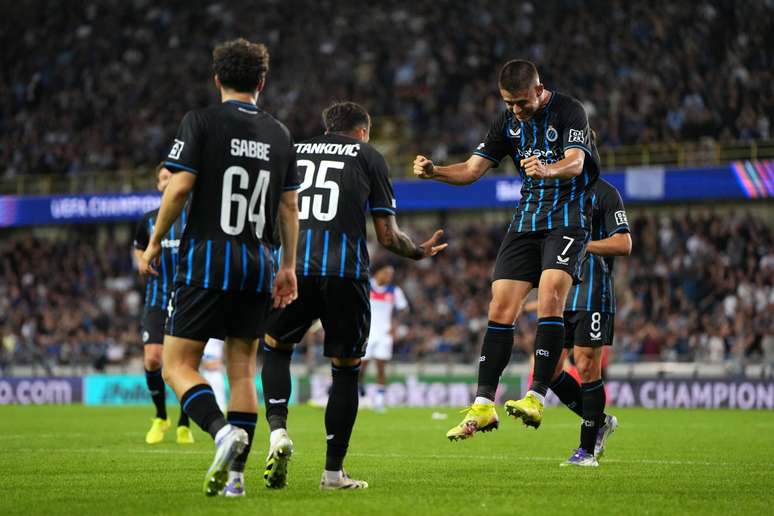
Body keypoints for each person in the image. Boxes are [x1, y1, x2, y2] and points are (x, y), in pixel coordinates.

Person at [137, 38, 300, 497]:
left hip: (207, 262)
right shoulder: (280, 134)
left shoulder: (201, 122)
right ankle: (236, 479)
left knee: (176, 365)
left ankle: (220, 431)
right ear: (262, 82)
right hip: (258, 265)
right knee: (242, 370)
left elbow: (178, 188)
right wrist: (287, 267)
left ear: (217, 79)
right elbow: (289, 207)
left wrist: (154, 242)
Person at [261, 101, 446, 490]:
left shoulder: (292, 151)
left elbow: (272, 214)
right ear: (362, 131)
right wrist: (418, 252)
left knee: (276, 348)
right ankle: (333, 473)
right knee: (345, 370)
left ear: (327, 127)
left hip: (295, 266)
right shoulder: (369, 156)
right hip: (345, 274)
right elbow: (387, 236)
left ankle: (278, 431)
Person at [413, 59, 600, 440]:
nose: (515, 109)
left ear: (538, 89)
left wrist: (548, 169)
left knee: (550, 296)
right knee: (500, 306)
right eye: (508, 102)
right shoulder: (507, 122)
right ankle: (484, 405)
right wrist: (436, 171)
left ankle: (536, 396)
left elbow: (576, 162)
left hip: (568, 219)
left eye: (521, 102)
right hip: (527, 220)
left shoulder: (569, 110)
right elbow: (471, 170)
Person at [550, 178, 631, 466]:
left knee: (586, 366)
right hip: (561, 294)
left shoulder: (606, 193)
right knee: (549, 368)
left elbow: (623, 243)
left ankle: (586, 451)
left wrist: (586, 245)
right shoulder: (557, 191)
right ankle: (600, 420)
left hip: (593, 293)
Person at [133, 165, 193, 445]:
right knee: (152, 359)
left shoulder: (193, 217)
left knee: (185, 364)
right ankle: (161, 416)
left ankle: (184, 423)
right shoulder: (148, 220)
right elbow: (139, 248)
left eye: (172, 177)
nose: (168, 182)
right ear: (158, 185)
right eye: (163, 178)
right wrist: (141, 261)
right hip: (156, 298)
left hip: (186, 299)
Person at [360, 262, 409, 412]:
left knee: (381, 368)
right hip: (367, 333)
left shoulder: (394, 290)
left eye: (391, 274)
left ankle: (379, 402)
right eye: (386, 273)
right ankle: (359, 394)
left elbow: (404, 309)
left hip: (384, 334)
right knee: (361, 368)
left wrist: (395, 326)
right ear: (377, 272)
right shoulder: (366, 286)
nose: (389, 276)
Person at [201, 338, 228, 412]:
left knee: (219, 396)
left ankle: (220, 410)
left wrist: (220, 362)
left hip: (216, 370)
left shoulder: (219, 341)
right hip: (205, 370)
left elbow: (225, 348)